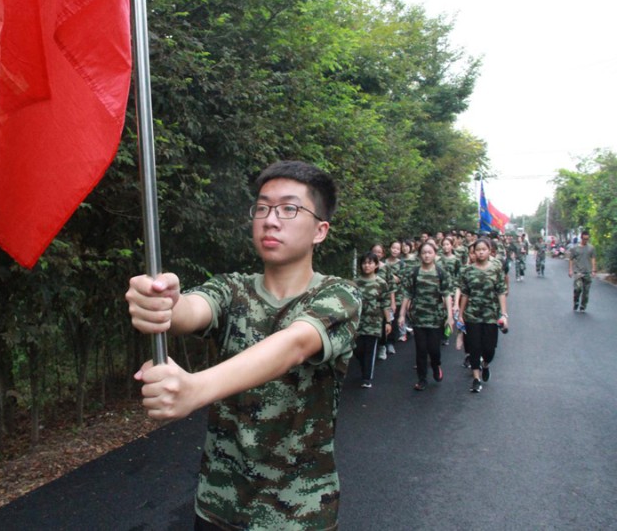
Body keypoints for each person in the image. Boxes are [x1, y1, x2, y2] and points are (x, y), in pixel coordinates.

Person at [125, 160, 361, 530]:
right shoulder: (232, 289)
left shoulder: (340, 296)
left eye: (289, 208)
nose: (270, 219)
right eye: (262, 207)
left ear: (320, 230)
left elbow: (295, 343)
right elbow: (192, 310)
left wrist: (195, 388)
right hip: (219, 504)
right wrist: (162, 301)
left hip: (299, 513)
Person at [398, 241, 453, 391]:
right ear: (419, 255)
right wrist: (402, 314)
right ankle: (422, 379)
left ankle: (436, 366)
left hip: (436, 317)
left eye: (429, 252)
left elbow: (447, 294)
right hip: (418, 316)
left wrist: (450, 316)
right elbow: (407, 293)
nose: (427, 255)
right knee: (421, 349)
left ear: (435, 254)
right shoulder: (414, 272)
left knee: (434, 349)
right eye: (424, 253)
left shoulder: (441, 272)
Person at [458, 238, 508, 393]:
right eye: (477, 250)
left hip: (490, 314)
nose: (480, 252)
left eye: (483, 249)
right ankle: (476, 378)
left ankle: (485, 365)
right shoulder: (467, 271)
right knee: (474, 347)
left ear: (489, 251)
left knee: (489, 348)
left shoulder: (496, 268)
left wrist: (504, 314)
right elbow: (465, 294)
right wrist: (460, 314)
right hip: (472, 314)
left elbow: (501, 291)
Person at [354, 252, 392, 388]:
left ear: (376, 265)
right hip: (358, 322)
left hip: (374, 323)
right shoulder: (355, 282)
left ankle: (366, 378)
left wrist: (388, 321)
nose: (366, 265)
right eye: (364, 263)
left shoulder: (381, 283)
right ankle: (364, 367)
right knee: (357, 350)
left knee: (370, 350)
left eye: (370, 263)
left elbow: (385, 303)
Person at [568, 230, 597, 312]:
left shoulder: (591, 248)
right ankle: (576, 301)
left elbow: (593, 259)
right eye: (584, 239)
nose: (586, 240)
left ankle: (583, 306)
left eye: (587, 239)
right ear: (581, 238)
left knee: (586, 291)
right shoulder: (575, 248)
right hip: (578, 272)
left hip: (588, 272)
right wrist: (570, 270)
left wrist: (594, 270)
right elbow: (571, 259)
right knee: (578, 289)